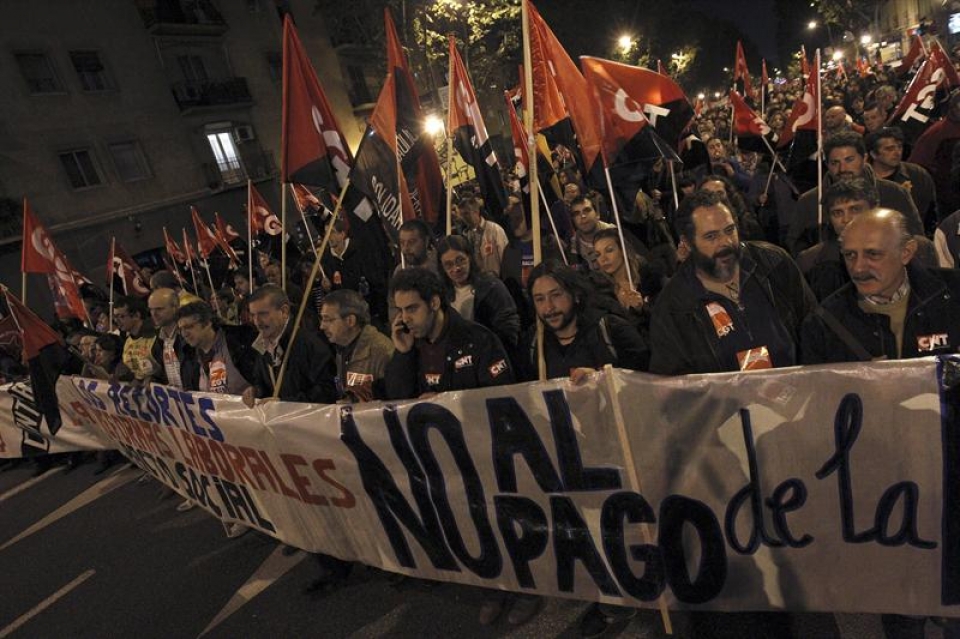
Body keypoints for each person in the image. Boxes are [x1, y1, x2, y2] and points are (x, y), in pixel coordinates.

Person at [384, 267, 537, 625]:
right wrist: (403, 355)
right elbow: (396, 400)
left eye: (412, 309)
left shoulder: (478, 339)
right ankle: (492, 589)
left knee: (505, 523)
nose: (404, 319)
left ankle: (529, 589)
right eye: (399, 311)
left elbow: (502, 399)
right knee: (472, 526)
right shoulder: (412, 345)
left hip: (488, 453)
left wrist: (447, 403)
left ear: (435, 302)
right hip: (444, 460)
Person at [524, 261, 647, 637]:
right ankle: (612, 597)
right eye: (540, 299)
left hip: (624, 448)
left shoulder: (611, 331)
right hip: (575, 456)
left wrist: (606, 381)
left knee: (636, 528)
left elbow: (651, 379)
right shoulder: (536, 346)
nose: (549, 308)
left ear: (575, 295)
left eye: (556, 295)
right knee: (597, 532)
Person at [649, 190, 816, 375]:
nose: (725, 243)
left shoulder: (773, 263)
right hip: (726, 403)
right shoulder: (674, 306)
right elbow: (674, 385)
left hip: (798, 394)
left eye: (730, 230)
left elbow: (814, 331)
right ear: (687, 243)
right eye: (711, 236)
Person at [801, 208, 960, 363]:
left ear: (906, 252)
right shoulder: (823, 324)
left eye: (873, 254)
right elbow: (817, 387)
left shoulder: (953, 294)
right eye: (850, 255)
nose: (858, 268)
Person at [788, 131, 923, 255]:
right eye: (835, 163)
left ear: (864, 158)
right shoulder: (810, 201)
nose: (842, 168)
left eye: (849, 160)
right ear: (827, 164)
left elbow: (914, 237)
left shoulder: (893, 193)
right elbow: (795, 249)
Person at [247, 284, 337, 404]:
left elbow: (327, 392)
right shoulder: (261, 345)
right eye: (253, 315)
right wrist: (256, 391)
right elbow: (263, 383)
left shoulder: (311, 344)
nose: (257, 322)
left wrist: (284, 404)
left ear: (284, 311)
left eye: (263, 314)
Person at [436, 235, 520, 353]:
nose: (456, 268)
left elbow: (509, 327)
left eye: (460, 260)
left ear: (469, 257)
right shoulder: (442, 295)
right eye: (449, 265)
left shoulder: (491, 286)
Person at [320, 289, 394, 403]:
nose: (322, 326)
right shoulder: (341, 347)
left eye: (328, 320)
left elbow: (395, 398)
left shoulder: (381, 351)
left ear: (350, 321)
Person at [867, 127, 937, 232]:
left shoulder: (917, 174)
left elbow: (931, 211)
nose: (897, 152)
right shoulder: (864, 181)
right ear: (873, 154)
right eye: (889, 149)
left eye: (899, 147)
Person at [456, 196, 509, 277]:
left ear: (476, 212)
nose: (464, 218)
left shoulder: (494, 230)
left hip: (500, 279)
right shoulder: (467, 236)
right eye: (462, 215)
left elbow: (506, 257)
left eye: (466, 213)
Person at [113, 295, 159, 383]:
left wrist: (153, 378)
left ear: (136, 316)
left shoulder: (155, 336)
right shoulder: (127, 341)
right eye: (115, 317)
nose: (116, 321)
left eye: (121, 316)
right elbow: (134, 370)